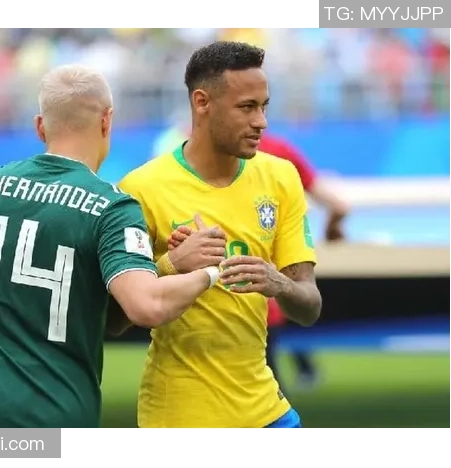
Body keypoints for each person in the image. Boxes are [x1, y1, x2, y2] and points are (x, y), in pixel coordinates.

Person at [0, 65, 223, 428]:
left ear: (40, 126)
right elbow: (146, 304)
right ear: (107, 121)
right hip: (50, 410)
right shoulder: (112, 207)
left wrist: (169, 264)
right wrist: (213, 271)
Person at [117, 41, 322, 428]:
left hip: (268, 412)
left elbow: (309, 307)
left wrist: (279, 283)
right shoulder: (141, 189)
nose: (261, 121)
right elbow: (112, 319)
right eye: (247, 107)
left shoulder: (280, 177)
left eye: (264, 107)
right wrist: (171, 264)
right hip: (179, 418)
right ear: (202, 102)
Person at [258, 134, 349, 391]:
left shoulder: (192, 158)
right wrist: (332, 231)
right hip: (267, 297)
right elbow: (339, 207)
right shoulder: (279, 152)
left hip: (221, 299)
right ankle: (306, 369)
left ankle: (306, 370)